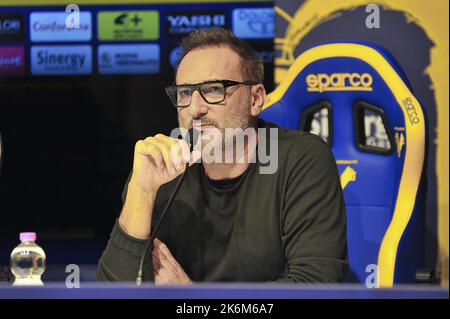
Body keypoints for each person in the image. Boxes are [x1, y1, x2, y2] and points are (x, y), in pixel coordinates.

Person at [97, 28, 348, 283]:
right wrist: (141, 190)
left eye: (214, 89)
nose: (195, 108)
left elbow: (316, 287)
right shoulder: (160, 168)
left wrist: (194, 297)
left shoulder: (302, 159)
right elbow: (112, 290)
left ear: (256, 99)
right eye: (185, 92)